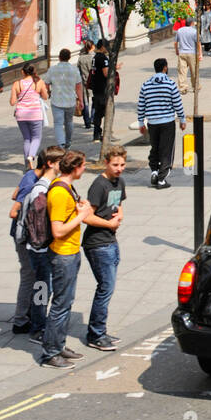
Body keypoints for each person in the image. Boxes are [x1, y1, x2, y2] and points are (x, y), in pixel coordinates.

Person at [39, 151, 93, 368]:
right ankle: (50, 353)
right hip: (62, 254)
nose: (85, 168)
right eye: (84, 165)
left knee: (66, 302)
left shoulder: (67, 187)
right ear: (76, 167)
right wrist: (82, 216)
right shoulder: (60, 193)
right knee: (60, 304)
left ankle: (58, 345)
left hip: (70, 252)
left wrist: (80, 208)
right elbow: (58, 230)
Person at [16, 144, 65, 340]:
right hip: (40, 250)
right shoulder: (40, 190)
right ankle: (37, 327)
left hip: (41, 249)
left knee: (44, 287)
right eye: (61, 162)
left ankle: (38, 322)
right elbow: (37, 226)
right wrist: (42, 248)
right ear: (50, 163)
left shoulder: (48, 186)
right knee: (42, 288)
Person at [82, 144, 127, 350]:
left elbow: (118, 205)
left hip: (110, 240)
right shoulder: (99, 185)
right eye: (115, 165)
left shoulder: (119, 182)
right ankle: (95, 334)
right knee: (105, 288)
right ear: (107, 163)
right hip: (97, 243)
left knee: (107, 287)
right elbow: (87, 216)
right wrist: (109, 224)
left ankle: (100, 330)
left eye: (122, 164)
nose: (119, 168)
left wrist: (119, 215)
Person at [137, 58, 186, 189]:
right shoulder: (170, 84)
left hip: (152, 122)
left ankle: (154, 170)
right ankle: (162, 179)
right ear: (165, 68)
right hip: (167, 122)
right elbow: (177, 103)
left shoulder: (146, 85)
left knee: (155, 147)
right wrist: (182, 119)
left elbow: (141, 105)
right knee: (167, 150)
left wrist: (141, 122)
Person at [10, 62, 48, 167]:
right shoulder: (39, 82)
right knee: (36, 137)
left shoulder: (16, 84)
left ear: (23, 72)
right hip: (35, 113)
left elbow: (12, 102)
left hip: (21, 114)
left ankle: (27, 164)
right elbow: (45, 97)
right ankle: (31, 156)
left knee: (27, 139)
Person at [45, 48, 83, 149]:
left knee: (58, 123)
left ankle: (61, 143)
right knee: (69, 122)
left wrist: (48, 92)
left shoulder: (52, 69)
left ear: (59, 57)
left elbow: (46, 83)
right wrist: (81, 100)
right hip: (70, 101)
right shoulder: (74, 70)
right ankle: (68, 141)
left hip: (56, 100)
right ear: (69, 58)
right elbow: (78, 87)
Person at [175, 14, 200, 96]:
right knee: (194, 71)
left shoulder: (179, 30)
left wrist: (177, 51)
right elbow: (198, 43)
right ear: (192, 23)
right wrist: (200, 54)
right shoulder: (194, 31)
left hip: (182, 52)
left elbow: (176, 42)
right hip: (192, 53)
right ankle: (195, 86)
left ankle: (183, 88)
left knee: (182, 71)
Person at [89, 40, 109, 141]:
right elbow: (106, 73)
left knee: (97, 112)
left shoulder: (95, 57)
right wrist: (114, 69)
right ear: (103, 47)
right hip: (102, 89)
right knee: (106, 111)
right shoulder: (102, 58)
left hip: (96, 88)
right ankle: (105, 133)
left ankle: (97, 133)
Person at [77, 40, 95, 130]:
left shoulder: (81, 58)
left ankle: (87, 121)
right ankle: (93, 118)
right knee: (94, 100)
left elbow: (78, 70)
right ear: (92, 47)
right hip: (93, 81)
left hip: (83, 81)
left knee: (84, 102)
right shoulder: (94, 57)